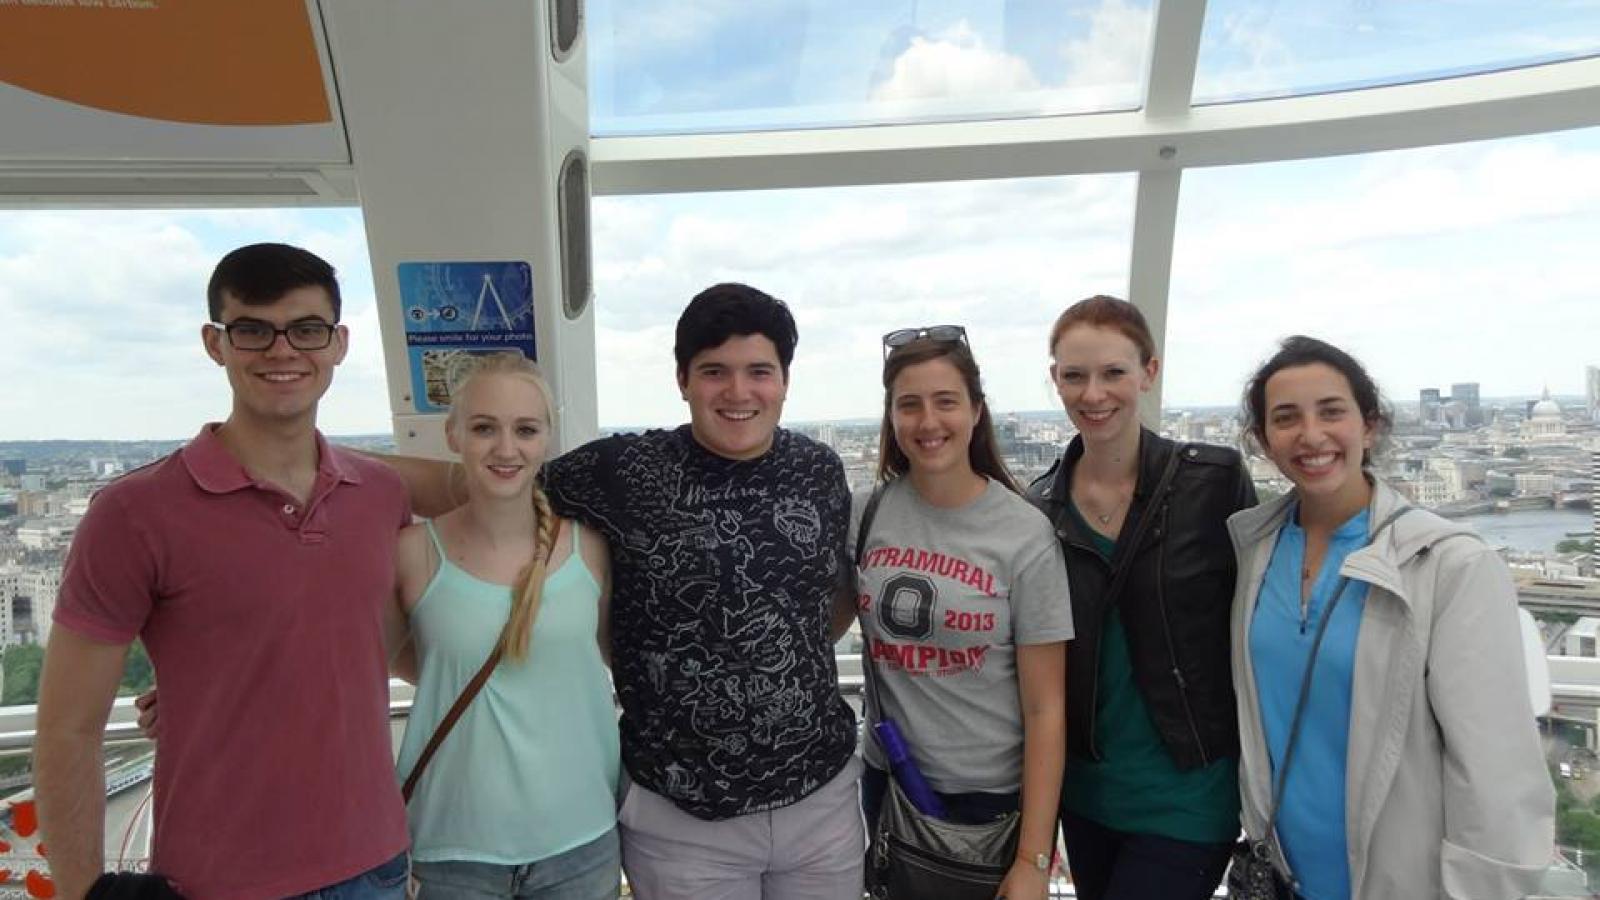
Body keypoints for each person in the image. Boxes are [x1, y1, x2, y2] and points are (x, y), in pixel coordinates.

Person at [387, 283, 862, 900]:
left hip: (818, 799)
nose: (739, 392)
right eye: (715, 371)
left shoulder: (819, 471)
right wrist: (304, 464)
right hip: (682, 815)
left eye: (759, 372)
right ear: (682, 379)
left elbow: (829, 599)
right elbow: (492, 477)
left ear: (786, 381)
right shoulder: (623, 473)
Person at [36, 244, 412, 900]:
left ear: (339, 343)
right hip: (219, 881)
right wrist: (82, 892)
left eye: (306, 329)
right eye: (252, 330)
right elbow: (69, 727)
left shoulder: (378, 495)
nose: (282, 350)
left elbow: (374, 648)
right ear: (215, 343)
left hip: (376, 863)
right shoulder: (133, 514)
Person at [1230, 335, 1553, 900]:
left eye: (1332, 412)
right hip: (1282, 878)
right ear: (1263, 441)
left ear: (1370, 425)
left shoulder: (1451, 566)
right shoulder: (1254, 551)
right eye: (1286, 419)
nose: (1311, 436)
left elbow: (1499, 778)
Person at [1025, 296, 1252, 900]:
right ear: (1056, 381)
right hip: (1088, 796)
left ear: (1149, 372)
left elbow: (1261, 615)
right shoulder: (1039, 509)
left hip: (1187, 794)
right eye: (1075, 375)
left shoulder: (1215, 483)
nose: (1093, 393)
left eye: (1113, 373)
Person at [853, 328, 1071, 899]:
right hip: (890, 782)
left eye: (946, 401)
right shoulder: (869, 513)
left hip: (989, 801)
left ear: (976, 411)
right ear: (891, 418)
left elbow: (1046, 707)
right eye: (910, 404)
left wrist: (1034, 858)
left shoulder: (1024, 535)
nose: (928, 422)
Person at [392, 352, 620, 899]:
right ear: (452, 435)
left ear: (546, 439)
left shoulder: (591, 548)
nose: (505, 448)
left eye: (525, 429)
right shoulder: (410, 554)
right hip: (454, 850)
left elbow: (619, 656)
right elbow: (381, 662)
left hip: (580, 841)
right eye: (483, 428)